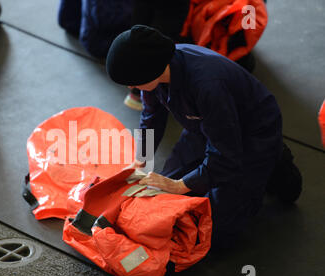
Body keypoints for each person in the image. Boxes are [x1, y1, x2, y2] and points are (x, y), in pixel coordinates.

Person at [106, 25, 302, 250]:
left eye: (132, 81)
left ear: (153, 71)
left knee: (214, 228)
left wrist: (181, 185)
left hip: (254, 133)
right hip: (204, 125)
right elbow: (151, 116)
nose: (131, 87)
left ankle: (276, 159)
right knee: (159, 192)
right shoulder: (156, 68)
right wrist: (140, 158)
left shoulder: (207, 85)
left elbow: (226, 155)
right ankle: (261, 165)